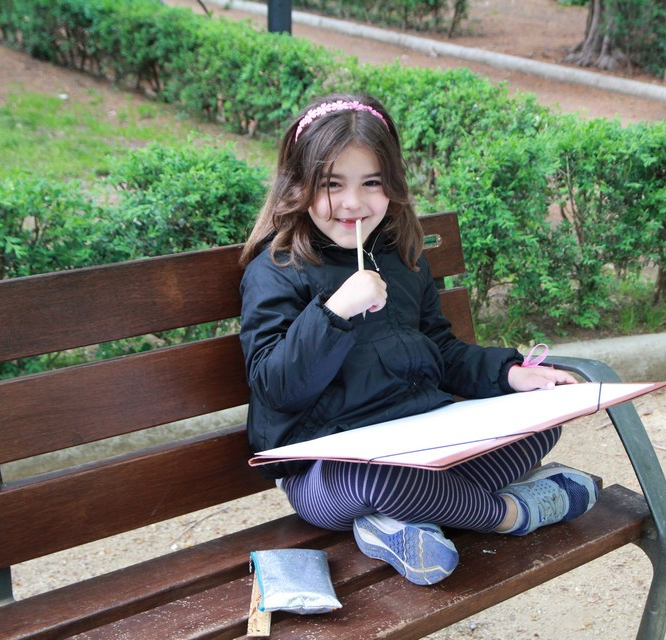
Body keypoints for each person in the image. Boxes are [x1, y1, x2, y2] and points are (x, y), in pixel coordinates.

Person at [238, 94, 598, 586]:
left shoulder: (402, 258)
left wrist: (510, 374)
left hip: (423, 444)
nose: (353, 202)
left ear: (393, 186)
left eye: (371, 183)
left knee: (543, 422)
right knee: (381, 479)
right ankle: (511, 513)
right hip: (331, 472)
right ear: (299, 185)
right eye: (332, 184)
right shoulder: (276, 271)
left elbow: (441, 351)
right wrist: (335, 311)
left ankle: (397, 524)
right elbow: (276, 387)